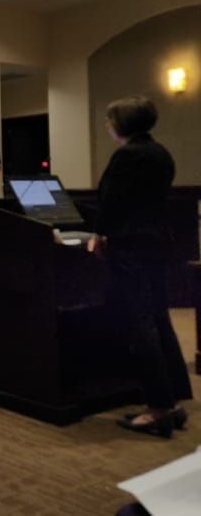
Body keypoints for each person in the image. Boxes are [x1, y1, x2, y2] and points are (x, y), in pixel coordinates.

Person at [88, 95, 192, 438]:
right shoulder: (160, 152)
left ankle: (157, 409)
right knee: (159, 319)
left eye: (110, 119)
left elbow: (112, 200)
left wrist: (99, 234)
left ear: (122, 123)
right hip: (155, 245)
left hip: (130, 247)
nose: (107, 124)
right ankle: (173, 401)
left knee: (140, 324)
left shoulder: (128, 155)